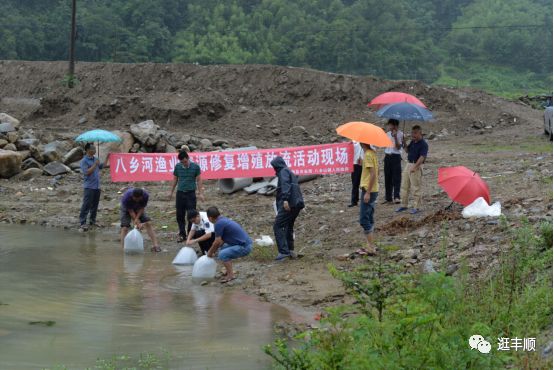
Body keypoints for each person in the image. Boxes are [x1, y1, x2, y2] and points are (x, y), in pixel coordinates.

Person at [270, 156, 305, 260]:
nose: (274, 169)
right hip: (297, 204)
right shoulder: (290, 171)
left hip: (289, 204)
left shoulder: (283, 172)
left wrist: (285, 200)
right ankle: (290, 250)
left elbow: (286, 185)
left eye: (274, 167)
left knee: (278, 226)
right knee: (288, 226)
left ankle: (283, 252)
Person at [206, 206, 252, 283]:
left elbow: (217, 241)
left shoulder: (218, 224)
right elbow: (221, 241)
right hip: (246, 243)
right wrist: (214, 249)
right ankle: (228, 271)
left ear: (210, 218)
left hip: (245, 247)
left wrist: (209, 253)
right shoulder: (223, 220)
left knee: (222, 254)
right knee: (223, 248)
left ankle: (231, 275)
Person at [169, 150, 204, 243]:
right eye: (182, 162)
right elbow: (175, 179)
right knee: (179, 215)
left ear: (188, 158)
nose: (184, 164)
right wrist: (171, 192)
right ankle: (182, 234)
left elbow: (199, 179)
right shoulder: (178, 167)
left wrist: (200, 193)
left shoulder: (195, 167)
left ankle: (190, 234)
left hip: (191, 193)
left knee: (191, 214)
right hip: (180, 193)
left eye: (185, 161)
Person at [396, 125, 429, 214]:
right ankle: (404, 205)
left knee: (416, 187)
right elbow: (407, 151)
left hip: (416, 165)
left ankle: (417, 207)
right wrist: (404, 143)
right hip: (409, 163)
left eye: (415, 133)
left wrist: (415, 167)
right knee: (404, 185)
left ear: (420, 133)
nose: (413, 135)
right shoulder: (413, 142)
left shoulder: (423, 144)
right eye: (412, 133)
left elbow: (422, 157)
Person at [120, 187, 161, 252]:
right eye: (135, 198)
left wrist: (137, 219)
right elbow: (131, 211)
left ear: (141, 197)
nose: (136, 200)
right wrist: (137, 222)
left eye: (138, 199)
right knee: (125, 227)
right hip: (126, 209)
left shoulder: (145, 196)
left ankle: (156, 245)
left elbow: (142, 208)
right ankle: (123, 248)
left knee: (148, 223)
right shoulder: (127, 197)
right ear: (132, 196)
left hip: (139, 208)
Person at [359, 143, 379, 255]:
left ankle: (371, 247)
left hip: (369, 190)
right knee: (369, 217)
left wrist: (367, 192)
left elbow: (373, 174)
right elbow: (376, 172)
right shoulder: (373, 153)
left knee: (364, 219)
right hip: (374, 189)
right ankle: (370, 244)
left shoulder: (368, 154)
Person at [78, 143, 103, 231]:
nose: (95, 150)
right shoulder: (84, 161)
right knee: (86, 205)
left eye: (95, 148)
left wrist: (108, 157)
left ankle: (92, 221)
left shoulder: (96, 159)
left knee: (95, 205)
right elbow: (86, 172)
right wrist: (95, 165)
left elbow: (102, 167)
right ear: (88, 150)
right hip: (89, 186)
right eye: (93, 149)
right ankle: (82, 222)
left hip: (97, 186)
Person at [383, 119, 404, 204]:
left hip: (396, 156)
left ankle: (396, 196)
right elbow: (384, 145)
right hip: (387, 156)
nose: (388, 126)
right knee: (387, 177)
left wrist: (395, 137)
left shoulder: (401, 134)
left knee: (396, 177)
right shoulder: (387, 134)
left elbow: (398, 147)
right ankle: (388, 197)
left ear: (395, 126)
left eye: (390, 125)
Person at [348, 141, 364, 207]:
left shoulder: (368, 140)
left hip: (364, 164)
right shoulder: (353, 141)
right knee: (355, 183)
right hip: (355, 164)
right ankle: (354, 201)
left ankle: (365, 199)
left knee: (364, 183)